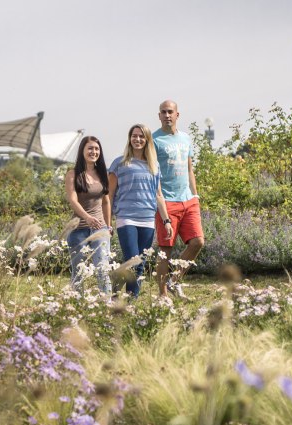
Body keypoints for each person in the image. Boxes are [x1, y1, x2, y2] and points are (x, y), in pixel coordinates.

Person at [108, 124, 171, 298]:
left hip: (147, 219)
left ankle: (127, 300)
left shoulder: (154, 165)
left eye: (141, 137)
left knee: (140, 263)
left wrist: (166, 221)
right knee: (133, 260)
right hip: (126, 217)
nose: (137, 139)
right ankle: (127, 299)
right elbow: (110, 194)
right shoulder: (119, 163)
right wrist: (108, 222)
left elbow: (159, 195)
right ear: (130, 138)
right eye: (134, 136)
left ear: (147, 140)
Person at [153, 100, 205, 297]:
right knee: (165, 250)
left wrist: (195, 194)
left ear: (177, 115)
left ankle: (175, 280)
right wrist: (160, 199)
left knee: (198, 242)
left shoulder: (185, 138)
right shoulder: (155, 140)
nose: (167, 115)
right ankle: (163, 295)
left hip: (188, 200)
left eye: (170, 112)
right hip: (167, 201)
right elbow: (153, 172)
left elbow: (190, 168)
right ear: (159, 116)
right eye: (163, 112)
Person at [65, 136, 113, 294]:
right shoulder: (73, 174)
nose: (94, 151)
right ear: (83, 151)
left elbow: (106, 202)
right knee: (78, 272)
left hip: (100, 229)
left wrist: (108, 225)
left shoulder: (103, 174)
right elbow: (73, 200)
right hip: (78, 230)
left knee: (102, 269)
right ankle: (76, 304)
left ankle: (106, 304)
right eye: (90, 148)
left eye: (97, 149)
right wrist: (87, 217)